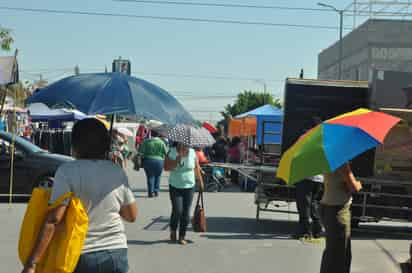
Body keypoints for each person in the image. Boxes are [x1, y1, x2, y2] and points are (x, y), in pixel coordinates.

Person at [21, 118, 138, 273]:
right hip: (116, 253)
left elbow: (54, 219)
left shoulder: (67, 171)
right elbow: (131, 215)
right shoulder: (116, 171)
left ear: (75, 144)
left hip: (80, 253)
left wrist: (32, 263)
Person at [320, 163, 362, 273]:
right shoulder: (342, 162)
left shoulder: (328, 160)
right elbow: (354, 187)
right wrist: (359, 184)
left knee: (331, 253)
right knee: (340, 255)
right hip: (339, 209)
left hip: (327, 206)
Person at [164, 142, 204, 245]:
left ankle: (182, 236)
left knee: (186, 212)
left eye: (186, 143)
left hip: (190, 186)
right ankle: (173, 229)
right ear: (178, 142)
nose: (185, 145)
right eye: (182, 143)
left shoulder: (192, 152)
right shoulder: (171, 152)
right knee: (177, 210)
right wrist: (176, 160)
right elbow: (166, 168)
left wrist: (200, 181)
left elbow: (196, 167)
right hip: (175, 185)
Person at [139, 131, 168, 198]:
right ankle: (156, 191)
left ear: (150, 134)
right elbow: (166, 152)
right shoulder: (161, 142)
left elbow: (141, 152)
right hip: (159, 161)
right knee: (158, 176)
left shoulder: (146, 142)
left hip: (148, 161)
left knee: (150, 176)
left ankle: (150, 192)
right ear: (158, 134)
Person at [295, 175, 324, 239]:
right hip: (319, 180)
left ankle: (305, 232)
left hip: (306, 179)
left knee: (304, 206)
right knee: (313, 204)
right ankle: (317, 230)